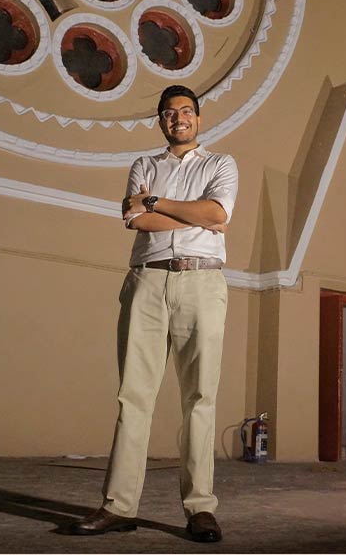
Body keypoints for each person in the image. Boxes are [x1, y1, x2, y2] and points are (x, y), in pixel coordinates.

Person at [69, 85, 238, 543]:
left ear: (198, 119)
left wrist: (156, 202)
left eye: (186, 111)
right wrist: (195, 216)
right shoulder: (145, 165)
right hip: (146, 281)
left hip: (202, 282)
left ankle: (200, 508)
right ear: (161, 121)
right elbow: (136, 219)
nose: (178, 118)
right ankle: (118, 506)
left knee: (200, 398)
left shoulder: (220, 164)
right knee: (133, 397)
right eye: (169, 113)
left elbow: (217, 211)